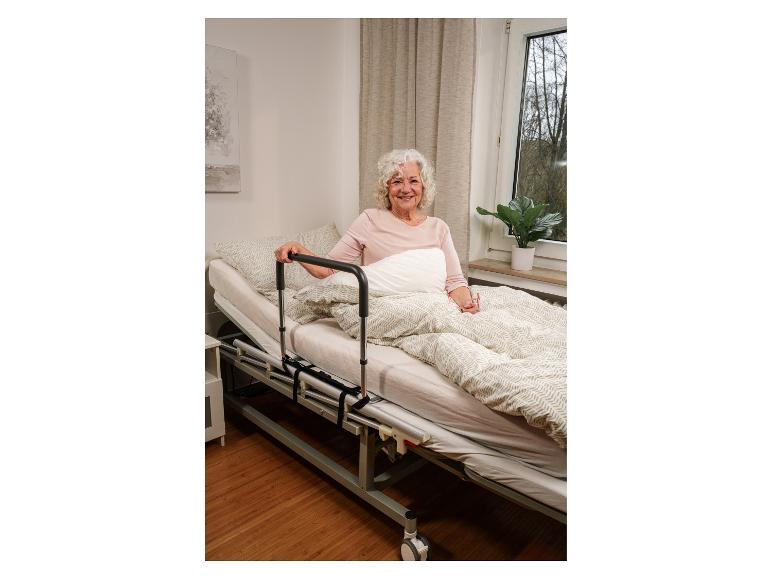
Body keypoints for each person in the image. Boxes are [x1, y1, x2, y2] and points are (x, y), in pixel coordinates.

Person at [274, 149, 480, 314]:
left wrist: (466, 304)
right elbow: (329, 270)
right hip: (386, 310)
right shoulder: (370, 220)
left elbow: (454, 282)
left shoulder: (439, 228)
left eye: (413, 181)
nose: (406, 188)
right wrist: (297, 248)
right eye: (397, 181)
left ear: (423, 187)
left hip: (431, 309)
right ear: (386, 188)